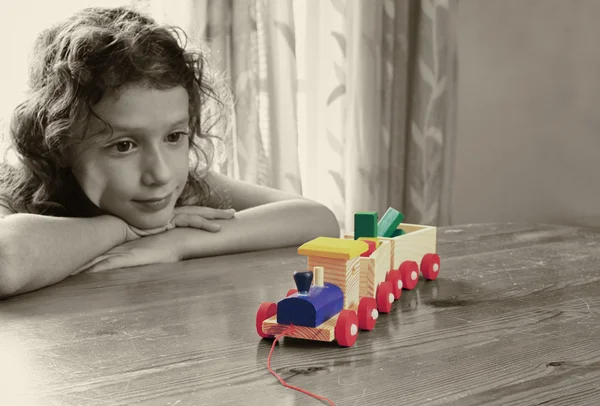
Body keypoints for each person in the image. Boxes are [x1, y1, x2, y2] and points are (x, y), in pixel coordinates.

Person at [0, 6, 340, 299]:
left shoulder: (188, 189)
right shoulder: (18, 193)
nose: (160, 174)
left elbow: (318, 221)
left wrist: (177, 242)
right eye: (124, 145)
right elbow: (6, 260)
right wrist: (122, 230)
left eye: (174, 136)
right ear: (58, 145)